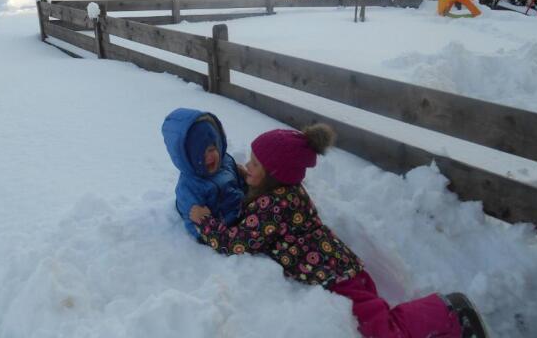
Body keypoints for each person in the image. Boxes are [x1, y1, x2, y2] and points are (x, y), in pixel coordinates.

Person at [190, 123, 488, 338]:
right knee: (383, 321)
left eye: (254, 163)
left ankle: (451, 311)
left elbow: (237, 242)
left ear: (274, 175)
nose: (247, 165)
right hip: (344, 267)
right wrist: (249, 176)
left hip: (335, 279)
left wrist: (205, 222)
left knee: (383, 331)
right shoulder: (289, 191)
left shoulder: (272, 207)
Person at [162, 108, 247, 239]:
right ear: (186, 156)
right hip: (222, 232)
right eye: (202, 151)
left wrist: (245, 179)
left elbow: (239, 187)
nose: (211, 155)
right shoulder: (189, 188)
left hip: (246, 216)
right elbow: (194, 225)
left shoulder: (226, 162)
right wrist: (203, 221)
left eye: (213, 147)